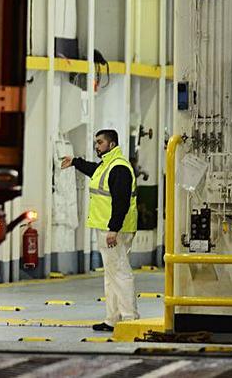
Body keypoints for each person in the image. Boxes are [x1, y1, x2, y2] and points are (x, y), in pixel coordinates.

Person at [61, 128, 137, 332]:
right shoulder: (108, 165)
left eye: (100, 142)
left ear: (111, 144)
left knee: (120, 273)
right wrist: (76, 162)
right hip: (107, 228)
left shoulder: (119, 168)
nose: (97, 146)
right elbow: (94, 170)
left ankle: (130, 319)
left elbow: (120, 201)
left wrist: (114, 228)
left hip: (114, 230)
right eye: (96, 142)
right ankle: (113, 319)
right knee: (112, 274)